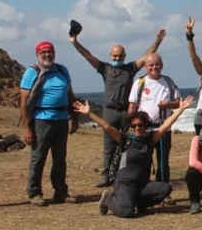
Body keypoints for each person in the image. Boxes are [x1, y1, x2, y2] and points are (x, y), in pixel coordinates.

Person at [70, 28, 166, 187]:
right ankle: (106, 175)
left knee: (130, 144)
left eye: (120, 56)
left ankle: (128, 173)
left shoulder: (130, 68)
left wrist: (157, 42)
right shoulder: (105, 69)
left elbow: (146, 56)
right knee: (108, 145)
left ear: (125, 56)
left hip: (127, 112)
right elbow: (88, 56)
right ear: (110, 56)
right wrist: (75, 43)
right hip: (109, 111)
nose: (117, 58)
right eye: (115, 56)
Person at [75, 96, 194, 218]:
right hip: (124, 184)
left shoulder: (150, 139)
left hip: (142, 185)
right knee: (127, 212)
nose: (137, 128)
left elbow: (165, 126)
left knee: (165, 188)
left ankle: (140, 204)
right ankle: (108, 199)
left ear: (146, 125)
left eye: (141, 125)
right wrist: (89, 113)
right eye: (134, 126)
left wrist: (181, 109)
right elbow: (107, 127)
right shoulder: (125, 140)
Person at [20, 41, 80, 207]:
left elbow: (70, 95)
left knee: (60, 158)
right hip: (41, 119)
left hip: (61, 119)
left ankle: (61, 192)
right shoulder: (32, 72)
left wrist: (75, 118)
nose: (47, 55)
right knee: (38, 157)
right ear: (38, 55)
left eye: (50, 51)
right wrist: (27, 128)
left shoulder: (62, 70)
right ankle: (34, 192)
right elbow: (23, 102)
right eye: (44, 52)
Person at [127, 53, 181, 185]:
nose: (154, 67)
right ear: (145, 67)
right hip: (144, 129)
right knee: (144, 160)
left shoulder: (169, 81)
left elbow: (178, 102)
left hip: (163, 128)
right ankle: (143, 189)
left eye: (157, 64)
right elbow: (132, 107)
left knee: (163, 162)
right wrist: (130, 127)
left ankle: (163, 192)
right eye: (151, 65)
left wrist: (168, 104)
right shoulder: (139, 83)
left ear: (162, 65)